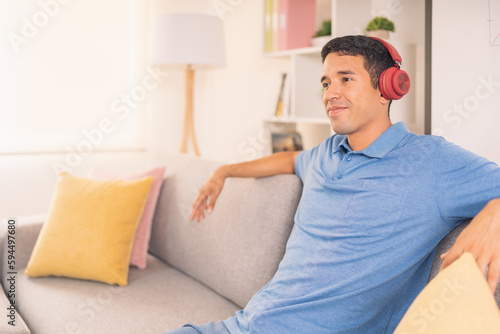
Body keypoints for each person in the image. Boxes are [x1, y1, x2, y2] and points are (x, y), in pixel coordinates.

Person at [166, 35, 500, 334]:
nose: (331, 93)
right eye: (326, 83)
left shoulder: (432, 161)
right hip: (241, 325)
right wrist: (224, 171)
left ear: (388, 88)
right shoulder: (326, 153)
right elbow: (291, 159)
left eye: (346, 79)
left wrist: (494, 210)